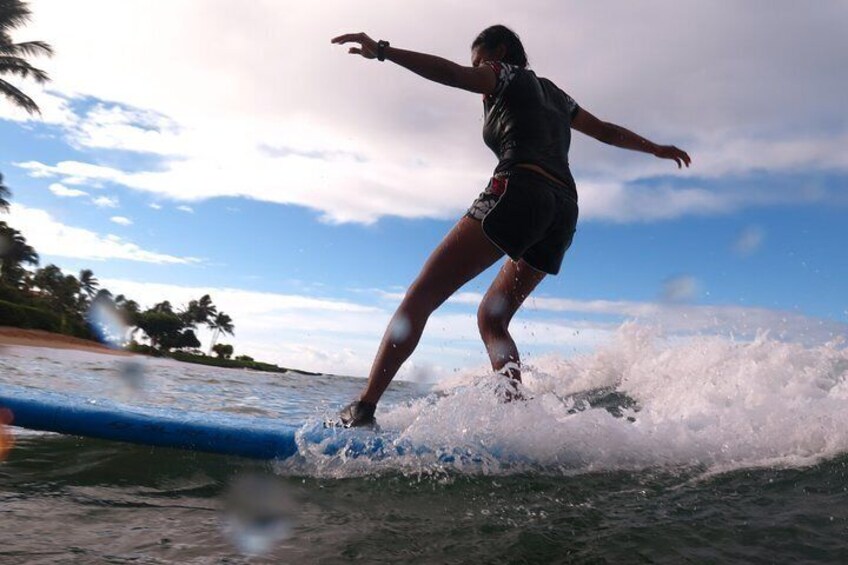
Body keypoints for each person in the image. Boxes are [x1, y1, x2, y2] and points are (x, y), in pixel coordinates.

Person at [331, 25, 691, 427]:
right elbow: (605, 131)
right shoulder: (555, 94)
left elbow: (453, 75)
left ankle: (363, 407)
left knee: (421, 296)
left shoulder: (505, 74)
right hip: (563, 210)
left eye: (480, 61)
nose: (478, 73)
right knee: (492, 318)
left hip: (519, 192)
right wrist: (656, 149)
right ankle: (515, 418)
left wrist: (383, 51)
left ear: (500, 52)